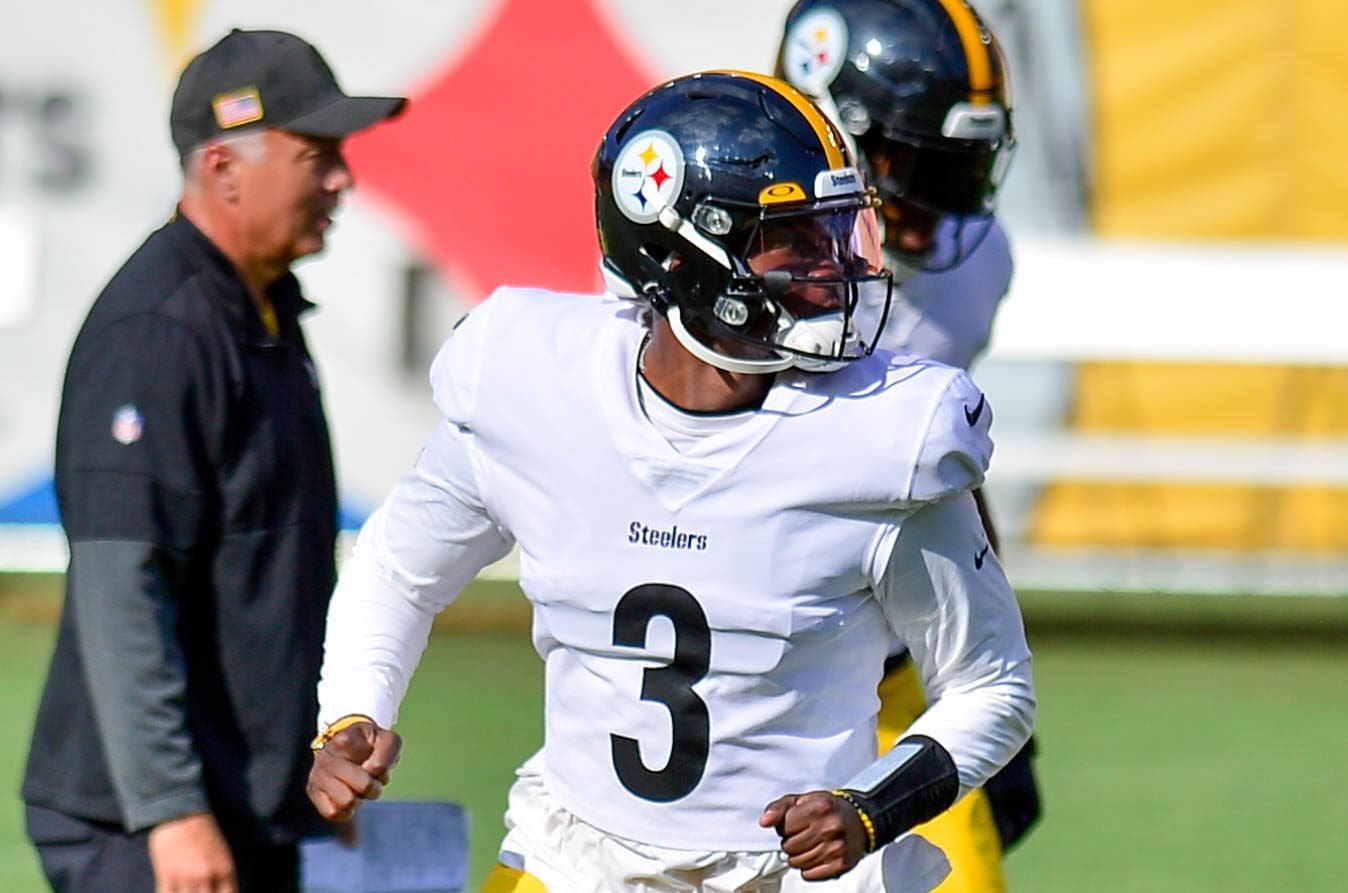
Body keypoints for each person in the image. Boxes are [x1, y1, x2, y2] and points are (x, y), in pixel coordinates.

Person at [305, 70, 1034, 893]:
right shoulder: (534, 389)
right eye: (795, 238)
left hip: (792, 876)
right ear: (687, 256)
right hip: (574, 859)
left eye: (835, 232)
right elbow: (396, 569)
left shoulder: (882, 436)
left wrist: (871, 807)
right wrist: (355, 712)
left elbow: (992, 686)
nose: (833, 267)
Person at [21, 28, 405, 893]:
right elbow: (123, 588)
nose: (342, 179)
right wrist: (171, 813)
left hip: (242, 804)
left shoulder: (260, 313)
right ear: (224, 165)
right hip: (147, 825)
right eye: (318, 153)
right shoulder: (160, 327)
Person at [775, 2, 1041, 889]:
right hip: (734, 678)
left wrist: (996, 692)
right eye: (918, 166)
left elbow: (949, 470)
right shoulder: (736, 256)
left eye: (961, 170)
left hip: (897, 678)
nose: (942, 213)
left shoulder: (975, 260)